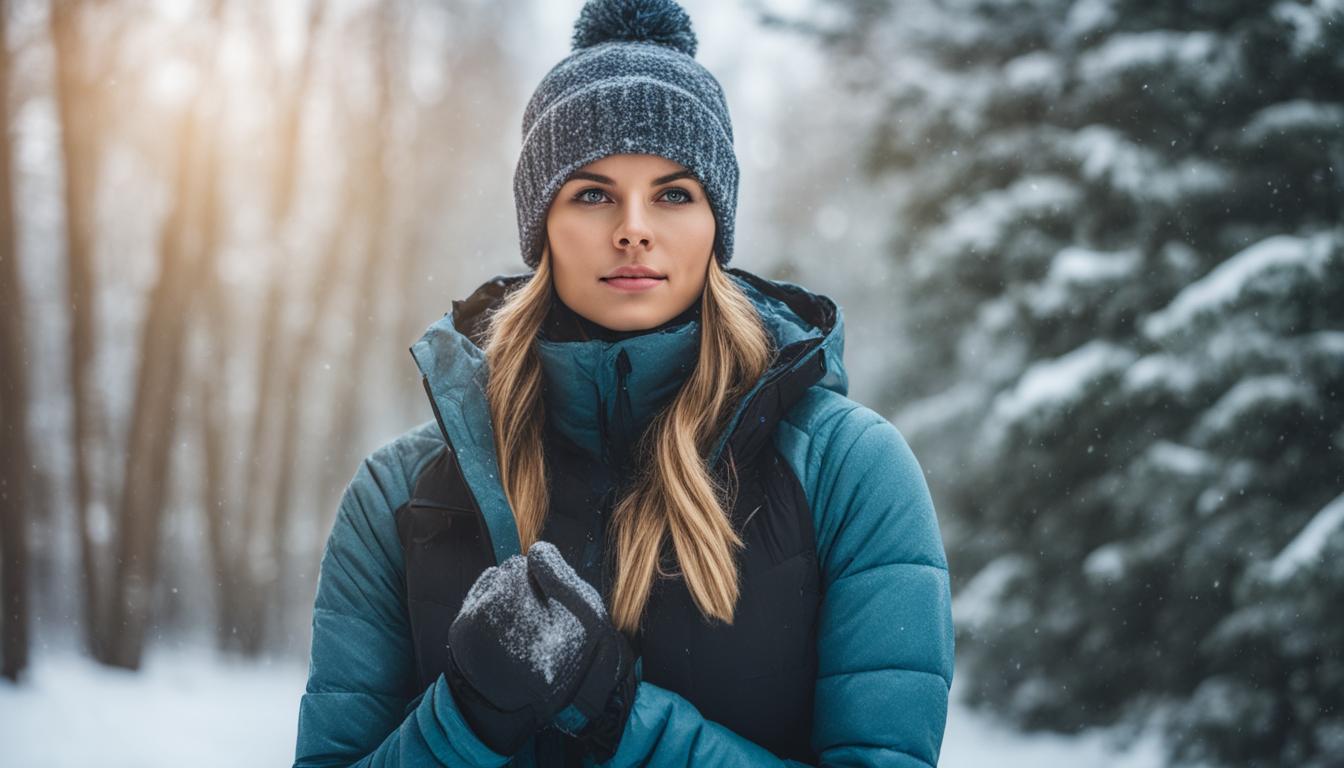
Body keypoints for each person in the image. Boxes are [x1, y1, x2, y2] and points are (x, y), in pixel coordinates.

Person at [293, 0, 954, 766]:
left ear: (716, 225)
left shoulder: (850, 473)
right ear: (543, 226)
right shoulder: (399, 495)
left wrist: (621, 719)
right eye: (592, 193)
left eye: (674, 194)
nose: (633, 226)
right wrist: (463, 722)